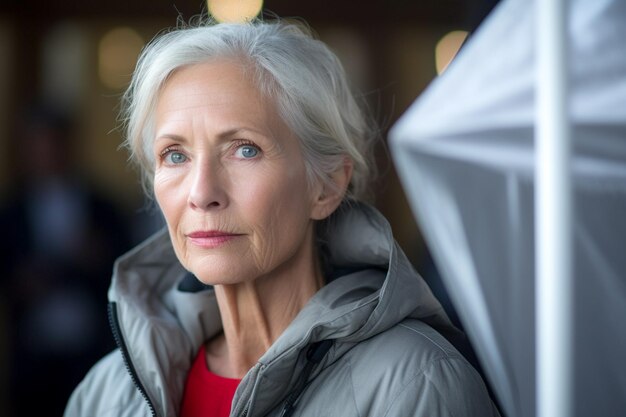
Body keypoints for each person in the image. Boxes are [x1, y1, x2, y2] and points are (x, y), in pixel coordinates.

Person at [65, 18, 499, 417]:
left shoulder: (416, 384)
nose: (201, 193)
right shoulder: (109, 392)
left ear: (326, 185)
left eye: (244, 149)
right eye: (175, 155)